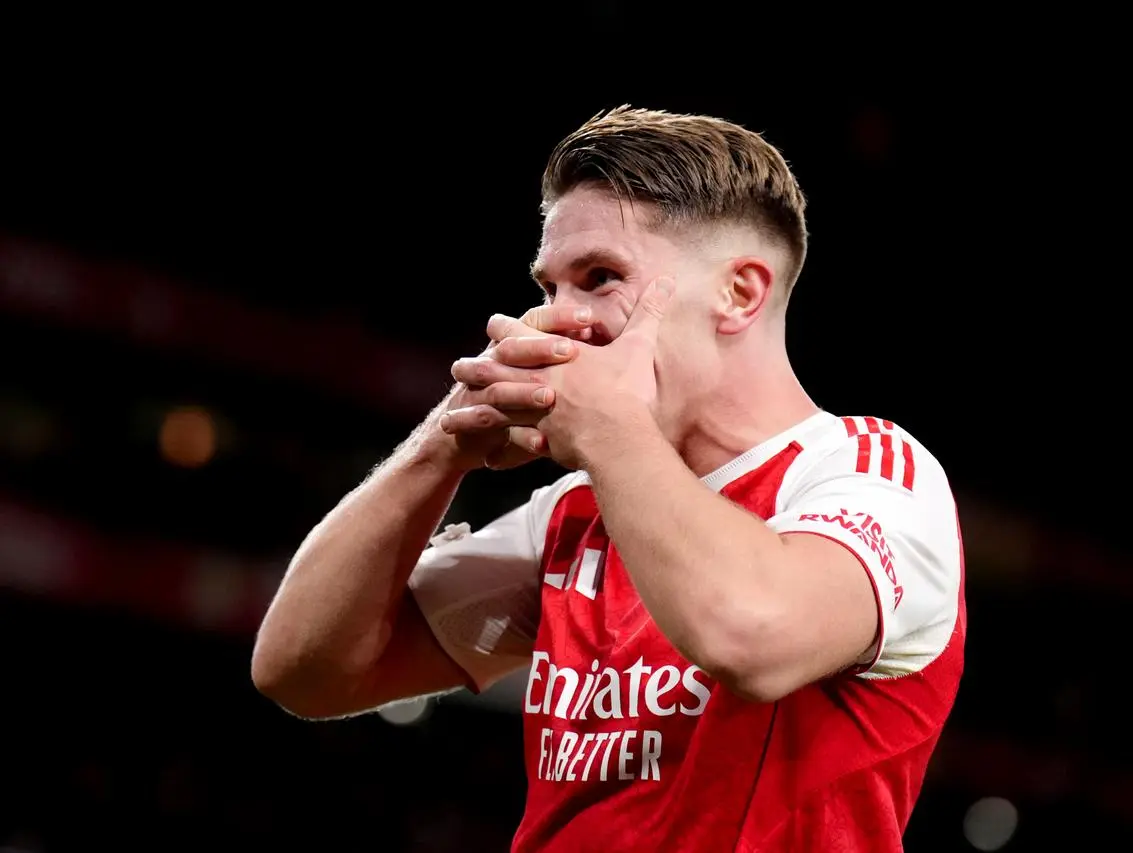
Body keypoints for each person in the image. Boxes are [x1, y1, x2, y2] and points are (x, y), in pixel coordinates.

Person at [252, 106, 966, 852]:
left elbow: (751, 634)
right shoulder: (574, 511)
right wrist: (441, 445)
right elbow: (304, 669)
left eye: (599, 278)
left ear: (740, 293)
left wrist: (606, 426)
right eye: (550, 287)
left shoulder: (870, 473)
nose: (558, 321)